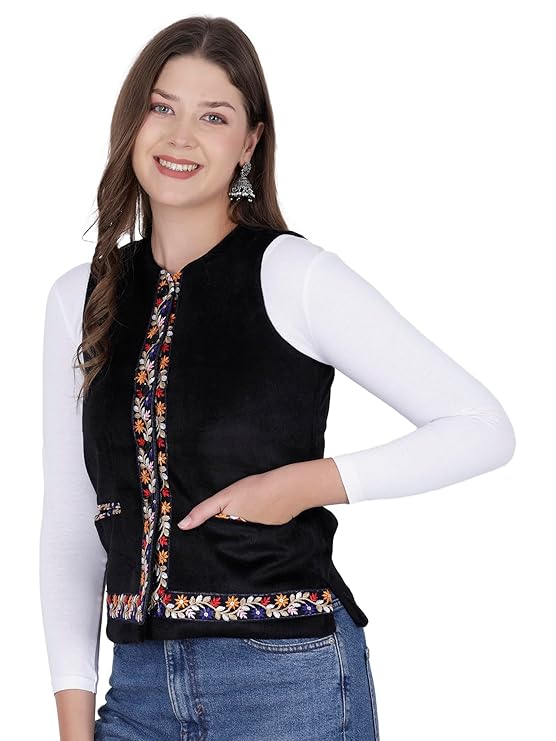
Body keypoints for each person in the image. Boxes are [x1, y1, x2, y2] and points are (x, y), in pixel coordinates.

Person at [39, 15, 516, 741]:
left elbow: (481, 428)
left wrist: (302, 484)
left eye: (214, 116)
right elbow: (74, 520)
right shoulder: (80, 296)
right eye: (163, 107)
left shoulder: (293, 275)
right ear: (132, 120)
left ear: (249, 142)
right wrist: (73, 724)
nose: (181, 136)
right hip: (135, 695)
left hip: (289, 683)